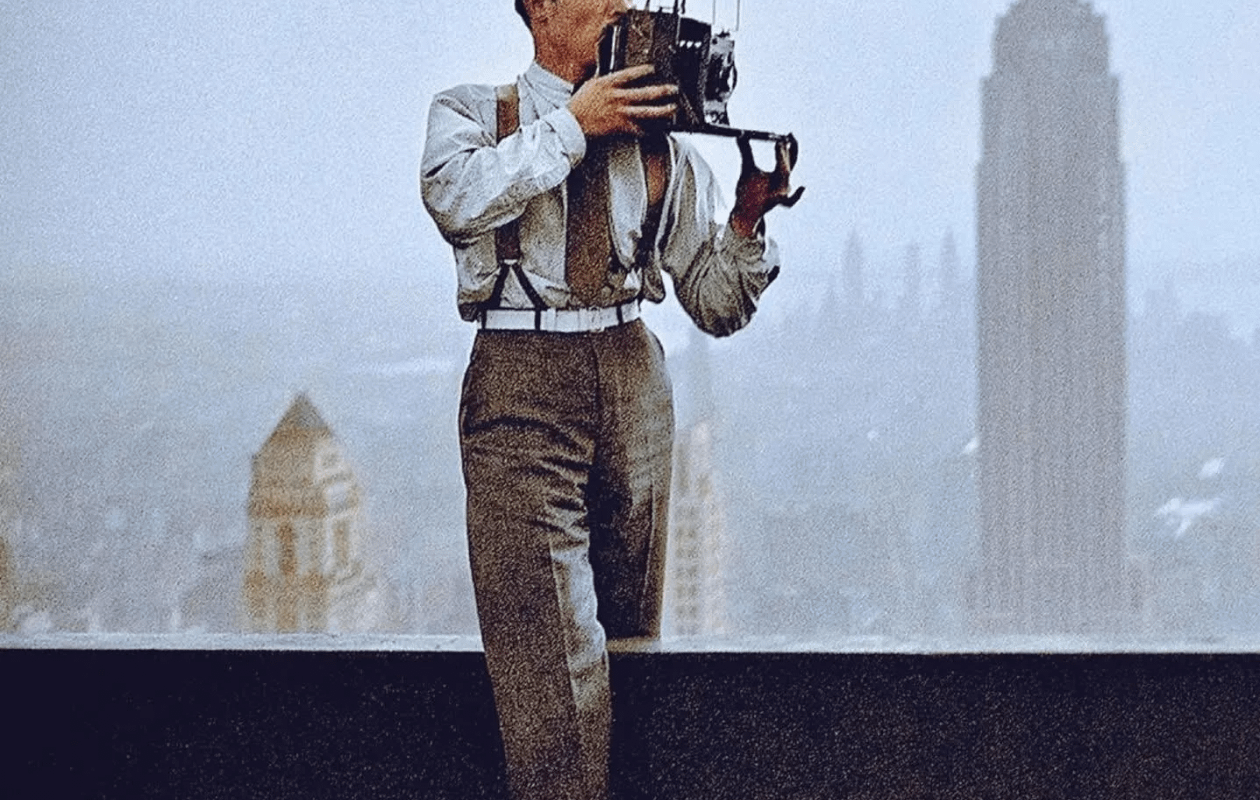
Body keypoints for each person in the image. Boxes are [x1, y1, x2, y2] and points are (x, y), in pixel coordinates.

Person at [419, 1, 801, 798]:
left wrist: (744, 220)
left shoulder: (660, 146)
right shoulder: (473, 114)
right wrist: (574, 126)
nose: (627, 9)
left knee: (631, 652)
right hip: (523, 378)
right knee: (552, 669)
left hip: (634, 375)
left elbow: (715, 306)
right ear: (541, 7)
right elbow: (457, 199)